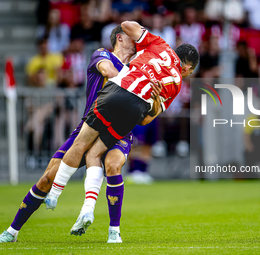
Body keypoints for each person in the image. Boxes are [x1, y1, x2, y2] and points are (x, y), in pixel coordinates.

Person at [44, 21, 199, 243]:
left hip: (116, 92)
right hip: (135, 110)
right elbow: (146, 119)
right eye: (190, 72)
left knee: (82, 145)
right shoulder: (176, 84)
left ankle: (56, 195)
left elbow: (127, 24)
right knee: (97, 155)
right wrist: (152, 95)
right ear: (187, 68)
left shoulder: (159, 44)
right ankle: (107, 226)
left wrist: (139, 51)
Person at [0, 25, 156, 243]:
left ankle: (114, 231)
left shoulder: (140, 68)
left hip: (120, 131)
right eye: (134, 35)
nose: (139, 38)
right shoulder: (102, 55)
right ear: (120, 38)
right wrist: (140, 85)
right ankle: (12, 231)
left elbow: (145, 115)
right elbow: (108, 72)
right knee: (46, 179)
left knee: (113, 166)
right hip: (88, 127)